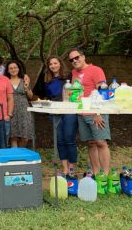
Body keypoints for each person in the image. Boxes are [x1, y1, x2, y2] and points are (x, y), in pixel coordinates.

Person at [68, 47, 111, 175]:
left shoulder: (96, 70)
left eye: (77, 57)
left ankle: (106, 175)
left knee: (101, 142)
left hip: (96, 112)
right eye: (71, 60)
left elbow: (101, 92)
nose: (75, 61)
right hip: (81, 114)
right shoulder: (74, 73)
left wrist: (98, 113)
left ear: (83, 56)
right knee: (91, 143)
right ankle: (96, 173)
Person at [44, 56, 78, 174]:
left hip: (69, 111)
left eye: (55, 63)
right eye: (50, 64)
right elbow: (48, 97)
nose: (53, 66)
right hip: (55, 112)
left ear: (60, 64)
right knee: (60, 140)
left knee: (69, 139)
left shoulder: (70, 76)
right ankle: (64, 167)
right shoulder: (47, 81)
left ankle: (72, 167)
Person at [5, 60, 35, 148]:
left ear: (18, 69)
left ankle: (20, 152)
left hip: (24, 110)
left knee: (25, 137)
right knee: (13, 136)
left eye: (15, 67)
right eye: (11, 68)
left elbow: (30, 96)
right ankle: (15, 157)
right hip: (11, 109)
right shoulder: (5, 81)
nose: (13, 69)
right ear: (8, 70)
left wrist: (26, 88)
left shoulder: (24, 80)